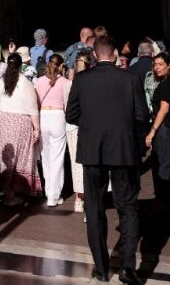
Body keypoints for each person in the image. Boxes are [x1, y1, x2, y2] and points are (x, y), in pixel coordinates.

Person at [65, 37, 148, 284]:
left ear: (96, 55)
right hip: (123, 149)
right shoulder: (130, 78)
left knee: (94, 206)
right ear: (113, 54)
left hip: (92, 149)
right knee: (128, 206)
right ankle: (127, 267)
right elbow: (142, 115)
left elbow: (71, 114)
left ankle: (101, 268)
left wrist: (92, 126)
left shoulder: (82, 79)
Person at [0, 53, 41, 206]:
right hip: (22, 123)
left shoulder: (0, 82)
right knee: (21, 158)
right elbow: (33, 108)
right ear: (20, 66)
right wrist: (36, 128)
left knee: (6, 158)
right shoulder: (26, 83)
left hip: (3, 122)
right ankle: (16, 192)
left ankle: (8, 194)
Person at [145, 52, 170, 213]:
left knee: (162, 167)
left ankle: (161, 204)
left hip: (166, 130)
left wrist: (152, 132)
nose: (157, 68)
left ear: (169, 66)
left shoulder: (167, 84)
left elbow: (164, 109)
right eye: (155, 65)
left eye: (160, 64)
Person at [35, 54, 70, 207]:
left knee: (46, 156)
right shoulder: (66, 82)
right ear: (61, 66)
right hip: (58, 116)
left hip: (43, 115)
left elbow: (35, 102)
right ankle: (54, 195)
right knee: (57, 158)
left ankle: (49, 191)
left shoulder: (39, 81)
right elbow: (68, 106)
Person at [65, 50, 93, 215]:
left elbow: (67, 109)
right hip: (90, 126)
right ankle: (90, 198)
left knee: (76, 164)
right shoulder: (94, 82)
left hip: (74, 127)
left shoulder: (69, 84)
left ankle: (79, 199)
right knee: (91, 163)